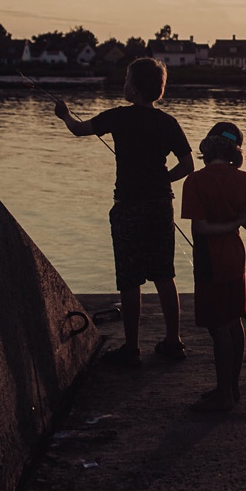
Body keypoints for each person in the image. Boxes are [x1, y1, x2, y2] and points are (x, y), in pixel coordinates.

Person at [54, 57, 194, 367]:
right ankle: (174, 341)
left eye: (127, 80)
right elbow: (188, 165)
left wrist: (64, 114)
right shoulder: (168, 123)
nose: (124, 85)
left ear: (134, 88)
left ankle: (132, 348)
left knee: (130, 279)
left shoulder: (117, 117)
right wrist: (163, 178)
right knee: (164, 274)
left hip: (128, 205)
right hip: (161, 205)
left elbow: (78, 130)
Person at [179, 122, 246, 414]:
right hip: (236, 257)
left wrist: (226, 224)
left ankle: (224, 396)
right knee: (234, 320)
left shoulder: (195, 181)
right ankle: (232, 387)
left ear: (208, 146)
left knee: (218, 327)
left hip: (210, 261)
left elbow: (200, 228)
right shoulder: (245, 179)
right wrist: (234, 222)